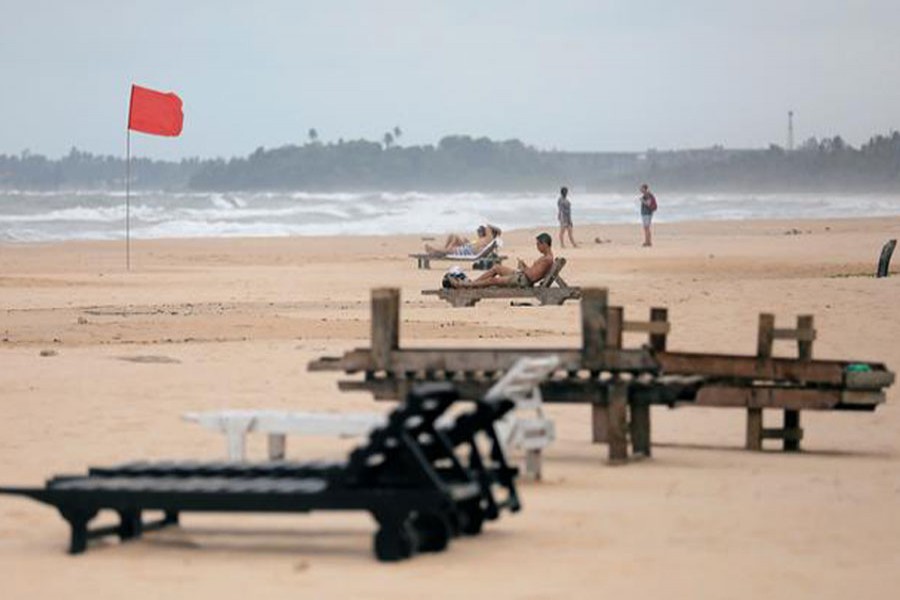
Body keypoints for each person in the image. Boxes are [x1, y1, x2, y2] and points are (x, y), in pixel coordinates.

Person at [452, 232, 554, 288]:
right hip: (522, 276)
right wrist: (524, 266)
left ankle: (466, 285)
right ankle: (473, 284)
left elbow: (531, 277)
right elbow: (534, 273)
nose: (537, 247)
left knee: (493, 280)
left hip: (522, 280)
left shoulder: (547, 259)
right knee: (496, 268)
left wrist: (523, 268)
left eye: (538, 244)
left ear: (544, 244)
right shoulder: (547, 258)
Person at [425, 224, 500, 257]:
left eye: (481, 231)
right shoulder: (484, 239)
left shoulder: (488, 239)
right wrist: (468, 242)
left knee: (451, 248)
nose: (479, 232)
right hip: (468, 248)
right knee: (452, 237)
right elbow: (475, 246)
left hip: (468, 251)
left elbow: (489, 226)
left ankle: (435, 251)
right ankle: (441, 250)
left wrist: (493, 229)